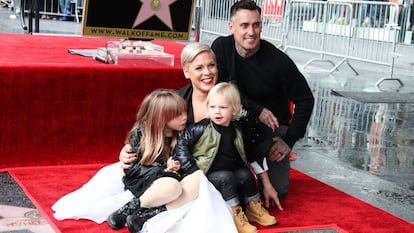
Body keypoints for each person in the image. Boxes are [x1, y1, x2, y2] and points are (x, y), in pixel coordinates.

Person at [120, 42, 287, 210]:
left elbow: (250, 147)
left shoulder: (230, 101)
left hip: (224, 172)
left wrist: (266, 183)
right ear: (186, 72)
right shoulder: (178, 101)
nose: (207, 72)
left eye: (211, 65)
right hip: (188, 172)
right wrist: (128, 150)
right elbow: (150, 128)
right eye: (199, 68)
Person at [52, 89, 236, 233]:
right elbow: (134, 171)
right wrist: (168, 172)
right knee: (173, 187)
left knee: (198, 180)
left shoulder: (183, 133)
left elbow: (190, 163)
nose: (184, 117)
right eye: (177, 114)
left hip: (170, 181)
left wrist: (177, 170)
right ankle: (128, 209)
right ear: (161, 118)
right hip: (146, 184)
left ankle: (147, 215)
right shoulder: (141, 135)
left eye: (183, 112)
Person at [211, 0, 315, 199]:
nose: (251, 32)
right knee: (229, 187)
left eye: (256, 25)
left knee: (280, 190)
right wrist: (256, 109)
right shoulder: (221, 47)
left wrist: (289, 140)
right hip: (236, 122)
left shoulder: (278, 60)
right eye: (244, 25)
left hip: (271, 130)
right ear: (231, 27)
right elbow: (220, 88)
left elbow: (306, 99)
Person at [175, 82, 276, 233]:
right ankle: (234, 213)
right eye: (213, 107)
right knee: (226, 177)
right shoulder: (201, 127)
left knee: (245, 174)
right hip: (204, 174)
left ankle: (253, 208)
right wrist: (190, 168)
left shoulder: (236, 130)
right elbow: (181, 145)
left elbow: (248, 152)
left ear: (234, 110)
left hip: (229, 171)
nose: (217, 112)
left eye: (223, 107)